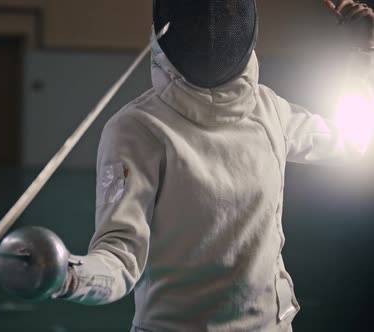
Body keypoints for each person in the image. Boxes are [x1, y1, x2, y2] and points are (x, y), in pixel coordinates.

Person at [53, 0, 374, 331]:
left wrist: (364, 53)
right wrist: (66, 275)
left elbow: (351, 142)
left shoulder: (269, 112)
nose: (210, 29)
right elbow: (120, 259)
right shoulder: (138, 130)